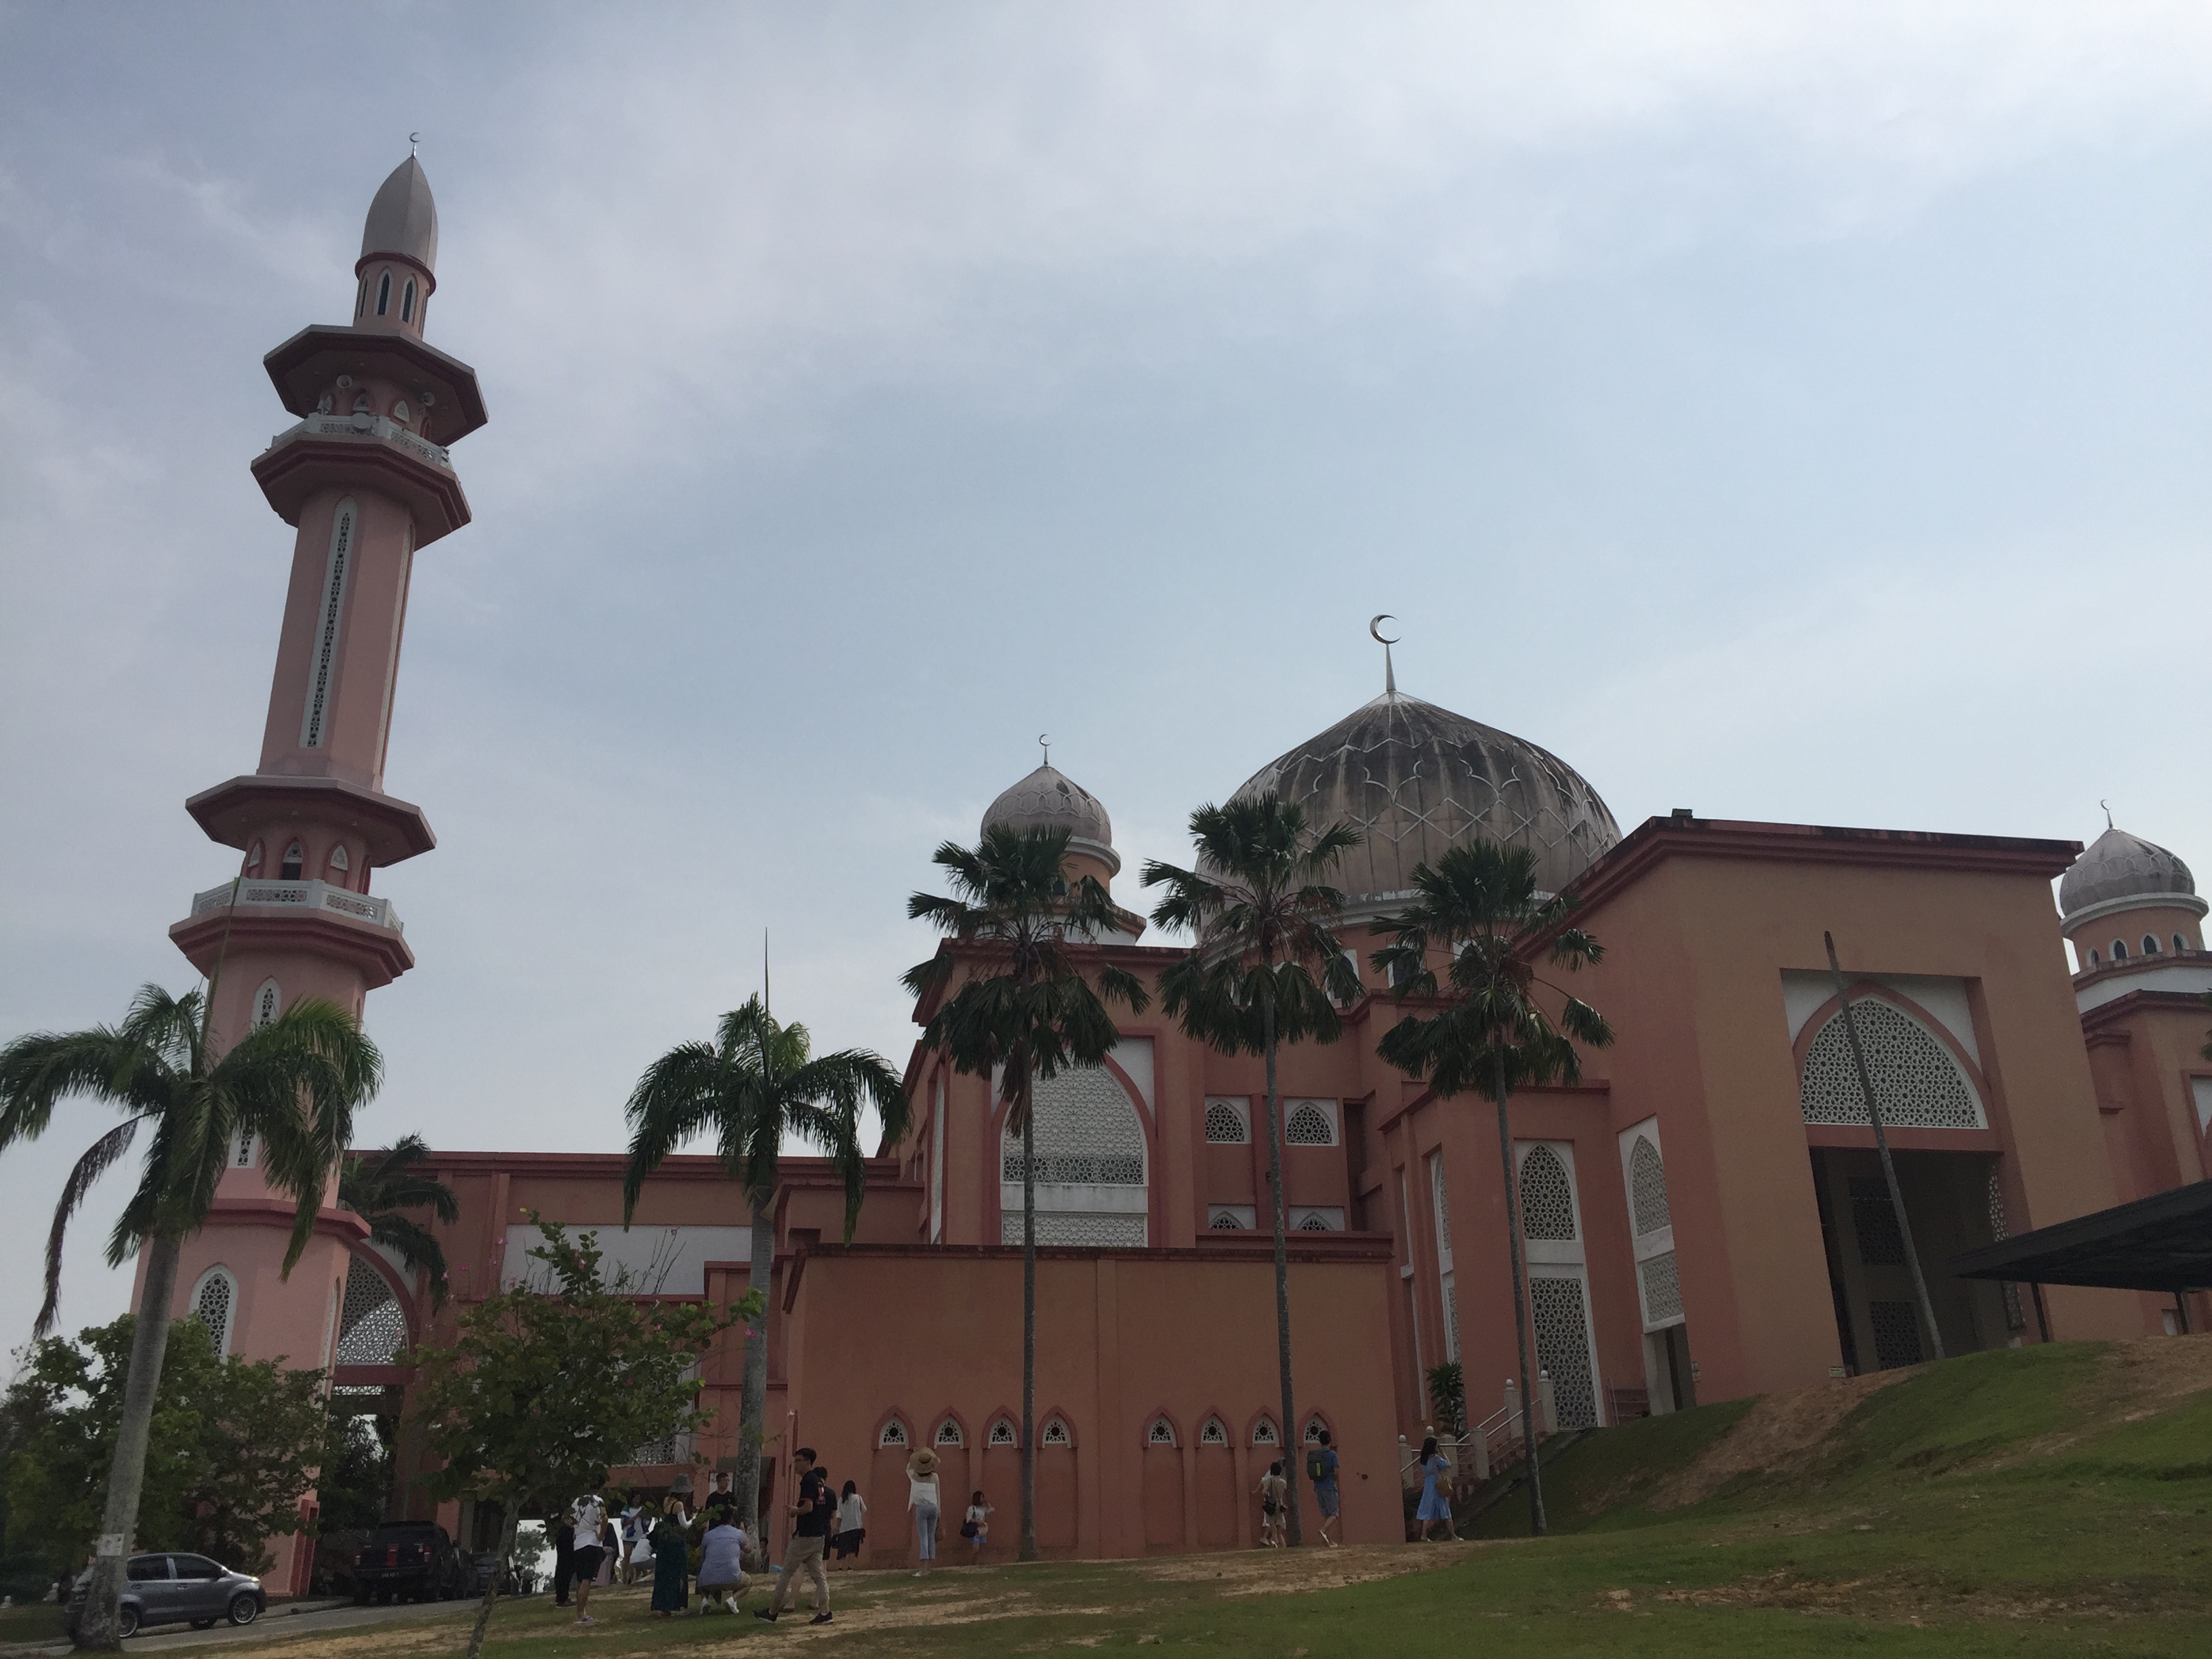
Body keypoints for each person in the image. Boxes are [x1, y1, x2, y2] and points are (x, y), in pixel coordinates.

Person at [758, 1446, 835, 1624]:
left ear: (807, 1462)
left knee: (786, 1573)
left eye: (798, 1460)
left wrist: (795, 1511)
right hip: (819, 1535)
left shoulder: (808, 1481)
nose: (795, 1464)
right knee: (819, 1576)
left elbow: (808, 1507)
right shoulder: (819, 1483)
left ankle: (772, 1611)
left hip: (805, 1536)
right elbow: (822, 1507)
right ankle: (825, 1612)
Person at [695, 1511, 747, 1615]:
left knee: (703, 1577)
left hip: (708, 1579)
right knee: (747, 1582)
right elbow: (748, 1549)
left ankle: (705, 1600)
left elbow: (702, 1557)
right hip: (731, 1577)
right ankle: (733, 1600)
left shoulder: (708, 1535)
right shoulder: (738, 1533)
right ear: (731, 1520)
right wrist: (743, 1531)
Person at [570, 1492, 608, 1625]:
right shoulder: (598, 1501)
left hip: (578, 1543)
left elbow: (569, 1520)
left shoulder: (576, 1501)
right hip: (591, 1542)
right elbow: (605, 1518)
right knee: (587, 1579)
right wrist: (601, 1535)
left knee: (580, 1580)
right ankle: (581, 1614)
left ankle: (580, 1612)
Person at [650, 1498, 690, 1616]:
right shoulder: (679, 1505)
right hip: (676, 1542)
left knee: (664, 1574)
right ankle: (675, 1605)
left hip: (665, 1543)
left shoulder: (666, 1501)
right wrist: (696, 1520)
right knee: (678, 1574)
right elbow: (684, 1525)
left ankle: (662, 1606)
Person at [906, 1446, 942, 1575]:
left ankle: (923, 1568)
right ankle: (930, 1567)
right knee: (931, 1535)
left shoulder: (915, 1477)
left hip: (922, 1508)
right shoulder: (935, 1477)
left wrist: (915, 1455)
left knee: (924, 1537)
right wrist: (939, 1512)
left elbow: (908, 1469)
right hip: (933, 1507)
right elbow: (938, 1495)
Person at [1414, 1435, 1453, 1541]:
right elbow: (1448, 1465)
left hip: (1428, 1484)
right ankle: (1453, 1535)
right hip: (1437, 1483)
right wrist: (1443, 1453)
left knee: (1427, 1510)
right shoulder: (1436, 1458)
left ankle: (1424, 1535)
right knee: (1445, 1509)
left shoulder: (1424, 1459)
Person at [1307, 1429, 1342, 1548]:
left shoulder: (1317, 1455)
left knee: (1327, 1515)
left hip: (1318, 1487)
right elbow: (1336, 1471)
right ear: (1329, 1440)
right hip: (1329, 1486)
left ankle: (1329, 1541)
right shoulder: (1332, 1454)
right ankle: (1322, 1530)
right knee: (1334, 1514)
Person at [830, 1481, 867, 1565]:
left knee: (843, 1548)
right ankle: (850, 1566)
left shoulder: (841, 1500)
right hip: (856, 1526)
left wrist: (837, 1527)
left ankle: (841, 1566)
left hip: (844, 1527)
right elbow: (864, 1509)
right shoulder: (858, 1498)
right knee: (853, 1548)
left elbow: (839, 1515)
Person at [1256, 1460, 1290, 1547]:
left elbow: (1264, 1492)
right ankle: (1283, 1547)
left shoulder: (1270, 1480)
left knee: (1273, 1528)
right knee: (1279, 1531)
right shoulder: (1283, 1482)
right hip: (1280, 1505)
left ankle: (1275, 1544)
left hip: (1271, 1505)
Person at [551, 1514, 575, 1607]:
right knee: (565, 1578)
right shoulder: (568, 1531)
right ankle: (563, 1599)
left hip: (562, 1557)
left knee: (561, 1576)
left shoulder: (559, 1532)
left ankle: (561, 1597)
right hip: (568, 1557)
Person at [962, 1491, 992, 1560]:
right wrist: (977, 1522)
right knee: (976, 1549)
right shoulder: (972, 1508)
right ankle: (970, 1562)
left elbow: (991, 1510)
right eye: (981, 1497)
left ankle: (977, 1563)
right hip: (975, 1530)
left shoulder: (983, 1508)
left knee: (980, 1549)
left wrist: (987, 1503)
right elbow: (968, 1519)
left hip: (982, 1530)